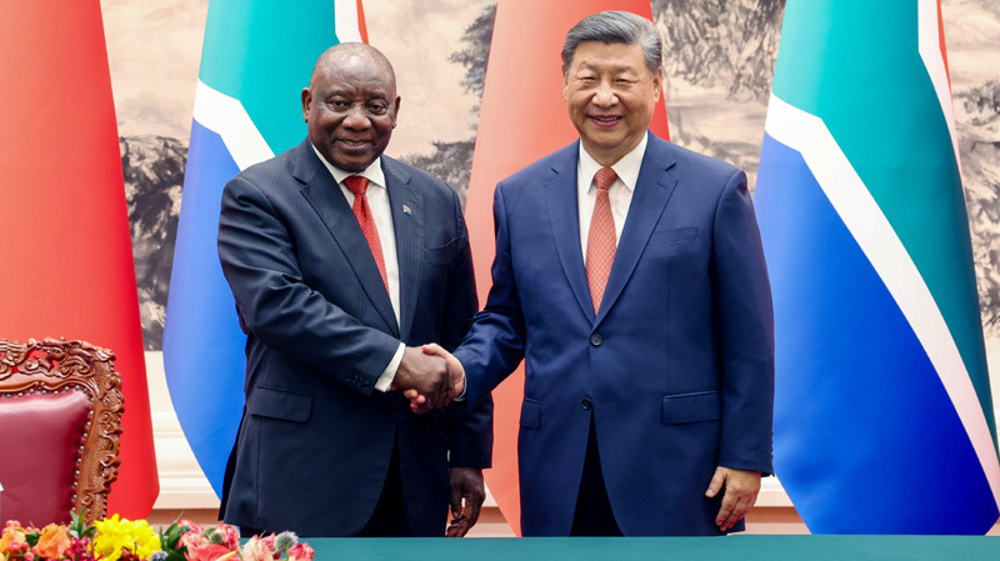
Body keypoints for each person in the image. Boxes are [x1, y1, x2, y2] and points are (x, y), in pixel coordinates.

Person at [421, 11, 773, 536]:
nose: (604, 97)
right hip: (559, 467)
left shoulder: (715, 191)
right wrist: (460, 370)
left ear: (655, 85)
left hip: (681, 470)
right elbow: (506, 321)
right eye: (588, 79)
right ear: (565, 84)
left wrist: (745, 455)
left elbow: (749, 337)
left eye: (622, 79)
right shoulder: (520, 196)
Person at [216, 42, 493, 538]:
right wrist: (399, 363)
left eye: (375, 106)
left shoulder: (435, 199)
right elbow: (278, 306)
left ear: (396, 111)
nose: (358, 120)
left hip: (414, 480)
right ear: (308, 104)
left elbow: (462, 333)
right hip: (300, 479)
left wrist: (467, 455)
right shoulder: (257, 195)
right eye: (339, 102)